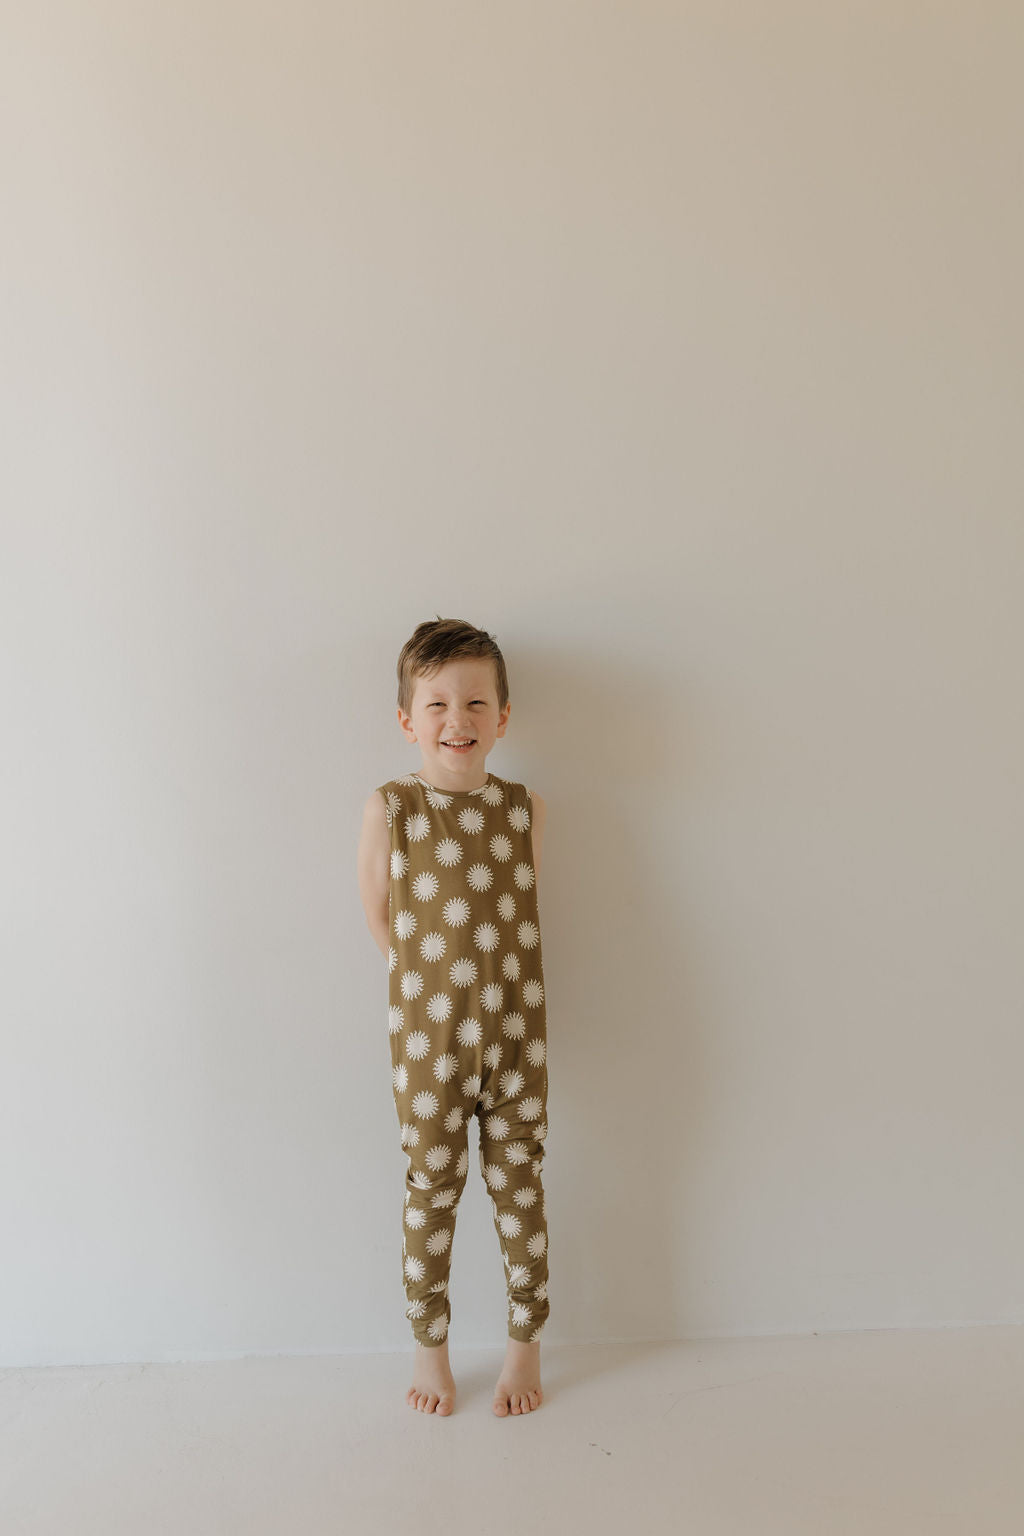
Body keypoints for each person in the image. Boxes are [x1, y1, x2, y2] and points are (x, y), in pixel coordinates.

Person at [357, 617, 550, 1418]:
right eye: (436, 704)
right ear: (408, 720)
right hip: (429, 1046)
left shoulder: (524, 810)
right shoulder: (392, 808)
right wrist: (427, 991)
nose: (456, 720)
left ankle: (525, 1342)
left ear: (502, 716)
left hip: (515, 1040)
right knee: (430, 1191)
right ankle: (429, 1348)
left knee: (520, 1189)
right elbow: (380, 915)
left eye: (475, 702)